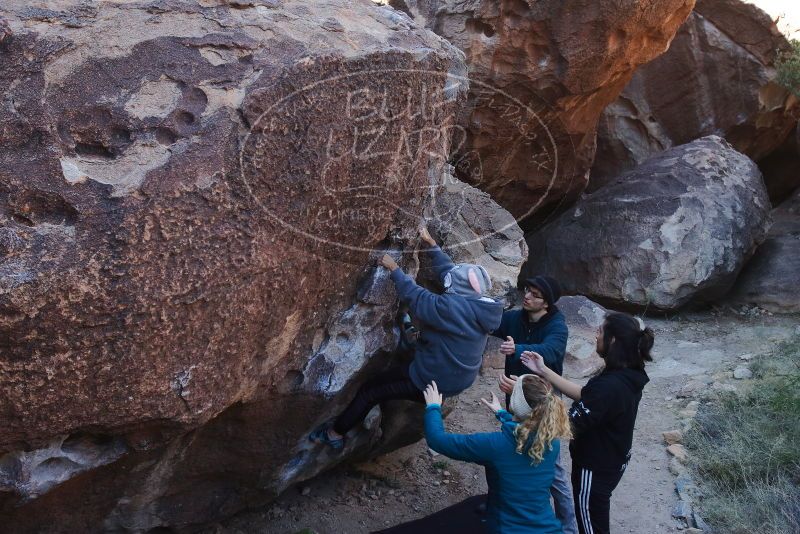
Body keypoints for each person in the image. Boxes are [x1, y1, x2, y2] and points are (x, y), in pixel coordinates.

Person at [310, 226, 503, 450]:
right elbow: (451, 273)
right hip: (456, 378)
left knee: (370, 391)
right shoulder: (480, 306)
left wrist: (394, 269)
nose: (446, 281)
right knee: (413, 341)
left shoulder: (449, 308)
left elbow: (415, 295)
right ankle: (411, 340)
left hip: (433, 381)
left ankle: (334, 434)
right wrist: (431, 245)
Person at [519, 312, 654, 534]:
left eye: (600, 331)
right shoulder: (628, 372)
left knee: (591, 528)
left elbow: (564, 424)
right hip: (614, 459)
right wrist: (545, 371)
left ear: (612, 340)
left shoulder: (609, 387)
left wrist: (528, 394)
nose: (596, 335)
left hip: (595, 468)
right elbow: (587, 396)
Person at [422, 377, 571, 534]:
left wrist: (433, 407)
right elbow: (523, 433)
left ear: (516, 404)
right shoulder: (550, 442)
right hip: (549, 528)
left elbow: (437, 440)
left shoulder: (495, 445)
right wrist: (502, 413)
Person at [492, 275, 576, 533]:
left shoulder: (557, 326)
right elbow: (488, 321)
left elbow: (550, 350)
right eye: (527, 290)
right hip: (516, 399)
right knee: (509, 453)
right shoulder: (515, 318)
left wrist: (517, 349)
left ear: (547, 304)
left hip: (544, 402)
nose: (527, 296)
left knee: (554, 467)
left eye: (535, 294)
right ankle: (505, 510)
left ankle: (569, 525)